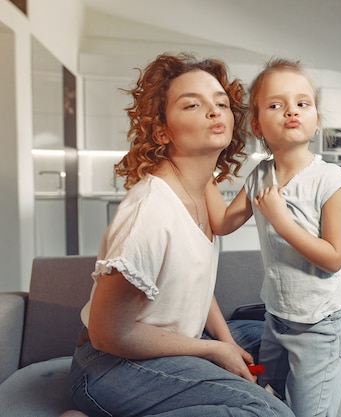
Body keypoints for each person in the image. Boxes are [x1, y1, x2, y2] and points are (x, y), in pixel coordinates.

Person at [68, 53, 294, 417]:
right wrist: (213, 351)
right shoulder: (150, 212)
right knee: (268, 413)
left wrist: (226, 341)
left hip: (175, 346)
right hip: (111, 365)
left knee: (291, 340)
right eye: (193, 104)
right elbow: (107, 334)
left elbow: (193, 284)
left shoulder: (203, 190)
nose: (214, 111)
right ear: (162, 130)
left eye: (221, 102)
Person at [206, 58, 341, 417]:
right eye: (276, 105)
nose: (291, 112)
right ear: (257, 124)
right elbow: (221, 223)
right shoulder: (259, 174)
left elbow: (333, 257)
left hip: (319, 323)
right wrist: (203, 164)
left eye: (302, 103)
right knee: (269, 392)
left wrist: (282, 222)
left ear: (315, 120)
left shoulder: (330, 179)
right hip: (276, 318)